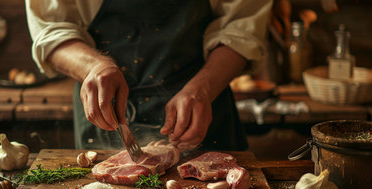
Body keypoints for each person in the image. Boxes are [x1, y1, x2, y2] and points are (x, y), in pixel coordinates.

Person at [25, 0, 272, 152]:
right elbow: (51, 29)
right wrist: (93, 67)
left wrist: (203, 89)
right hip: (103, 103)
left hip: (204, 103)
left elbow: (242, 28)